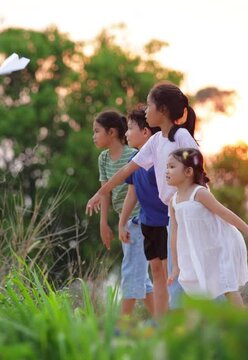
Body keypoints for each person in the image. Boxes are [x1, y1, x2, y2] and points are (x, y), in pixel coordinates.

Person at [87, 82, 198, 309]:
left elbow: (197, 169)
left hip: (189, 211)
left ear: (163, 110)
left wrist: (198, 202)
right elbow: (127, 170)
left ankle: (188, 325)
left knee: (188, 271)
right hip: (173, 215)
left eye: (149, 105)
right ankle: (170, 327)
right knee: (173, 273)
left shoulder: (182, 136)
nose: (146, 110)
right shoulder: (156, 142)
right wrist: (101, 192)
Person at [166, 148, 248, 307]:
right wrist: (176, 265)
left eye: (172, 167)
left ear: (188, 171)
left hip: (216, 250)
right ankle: (201, 327)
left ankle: (244, 322)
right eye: (166, 167)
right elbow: (174, 232)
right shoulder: (173, 201)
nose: (167, 171)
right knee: (196, 291)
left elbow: (223, 213)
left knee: (227, 288)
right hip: (195, 254)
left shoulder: (199, 193)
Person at [92, 110, 154, 316]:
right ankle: (165, 323)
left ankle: (122, 328)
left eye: (97, 131)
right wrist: (104, 223)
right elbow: (106, 192)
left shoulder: (132, 155)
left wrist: (124, 221)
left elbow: (132, 190)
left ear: (111, 132)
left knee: (131, 273)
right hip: (125, 220)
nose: (93, 136)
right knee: (141, 279)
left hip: (138, 219)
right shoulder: (103, 159)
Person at [118, 105, 170, 319]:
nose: (126, 133)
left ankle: (174, 323)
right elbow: (133, 194)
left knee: (169, 275)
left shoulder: (160, 158)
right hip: (147, 224)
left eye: (130, 128)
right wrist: (122, 222)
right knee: (156, 272)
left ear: (146, 132)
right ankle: (161, 323)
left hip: (166, 223)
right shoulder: (134, 162)